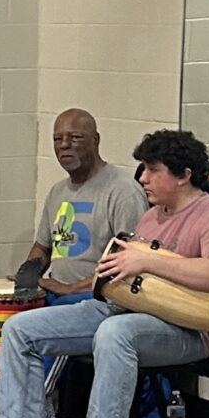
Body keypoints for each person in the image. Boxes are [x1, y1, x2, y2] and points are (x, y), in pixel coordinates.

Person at [0, 129, 209, 418]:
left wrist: (146, 259)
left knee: (116, 333)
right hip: (129, 310)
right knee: (21, 328)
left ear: (184, 175)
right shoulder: (153, 217)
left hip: (187, 329)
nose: (143, 179)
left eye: (153, 171)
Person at [17, 108, 145, 301]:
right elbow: (42, 247)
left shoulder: (123, 191)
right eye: (57, 139)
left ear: (95, 140)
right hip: (57, 291)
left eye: (75, 137)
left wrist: (72, 288)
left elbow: (130, 262)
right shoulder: (57, 191)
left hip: (97, 295)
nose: (65, 145)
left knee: (23, 326)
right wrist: (28, 276)